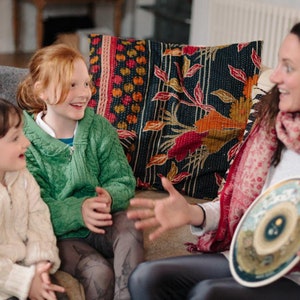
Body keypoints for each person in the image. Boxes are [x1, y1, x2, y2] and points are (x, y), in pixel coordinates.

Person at [127, 22, 300, 300]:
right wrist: (192, 213)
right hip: (243, 257)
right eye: (278, 63)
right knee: (146, 277)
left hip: (292, 278)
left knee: (208, 294)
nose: (275, 76)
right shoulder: (272, 126)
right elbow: (236, 206)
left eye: (288, 67)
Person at [16, 43, 144, 300]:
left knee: (131, 225)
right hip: (61, 236)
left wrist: (109, 196)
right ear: (41, 91)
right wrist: (79, 210)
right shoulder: (24, 143)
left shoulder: (99, 128)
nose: (83, 93)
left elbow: (122, 180)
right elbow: (34, 208)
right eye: (71, 85)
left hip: (105, 224)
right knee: (99, 272)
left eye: (86, 83)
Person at [0, 98, 66, 300]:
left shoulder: (22, 177)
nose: (26, 142)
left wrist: (39, 265)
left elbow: (38, 218)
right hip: (6, 280)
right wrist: (25, 282)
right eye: (15, 138)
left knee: (56, 295)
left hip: (24, 266)